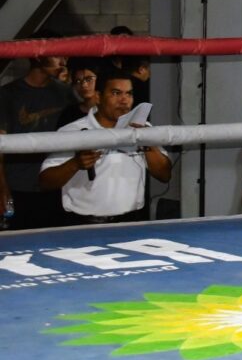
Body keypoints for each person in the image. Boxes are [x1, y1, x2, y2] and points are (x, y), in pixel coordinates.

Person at [40, 68, 172, 224]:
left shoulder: (142, 128)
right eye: (116, 93)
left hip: (132, 222)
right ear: (98, 96)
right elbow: (45, 182)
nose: (124, 100)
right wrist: (75, 164)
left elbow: (164, 175)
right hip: (84, 224)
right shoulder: (72, 131)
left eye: (128, 94)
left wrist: (146, 143)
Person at [0, 52, 75, 229]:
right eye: (57, 56)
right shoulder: (8, 94)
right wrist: (2, 187)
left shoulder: (66, 93)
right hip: (19, 184)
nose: (63, 61)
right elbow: (0, 143)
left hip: (55, 183)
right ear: (39, 57)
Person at [56, 58, 102, 128]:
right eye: (78, 81)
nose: (84, 85)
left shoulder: (108, 109)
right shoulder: (69, 113)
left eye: (89, 79)